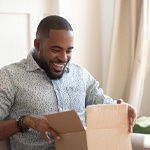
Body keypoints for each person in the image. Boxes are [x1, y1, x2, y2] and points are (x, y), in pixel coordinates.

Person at [0, 15, 136, 150]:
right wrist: (24, 122)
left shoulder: (80, 75)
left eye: (69, 51)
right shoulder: (10, 77)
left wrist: (121, 109)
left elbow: (103, 102)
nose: (63, 58)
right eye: (56, 50)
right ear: (38, 45)